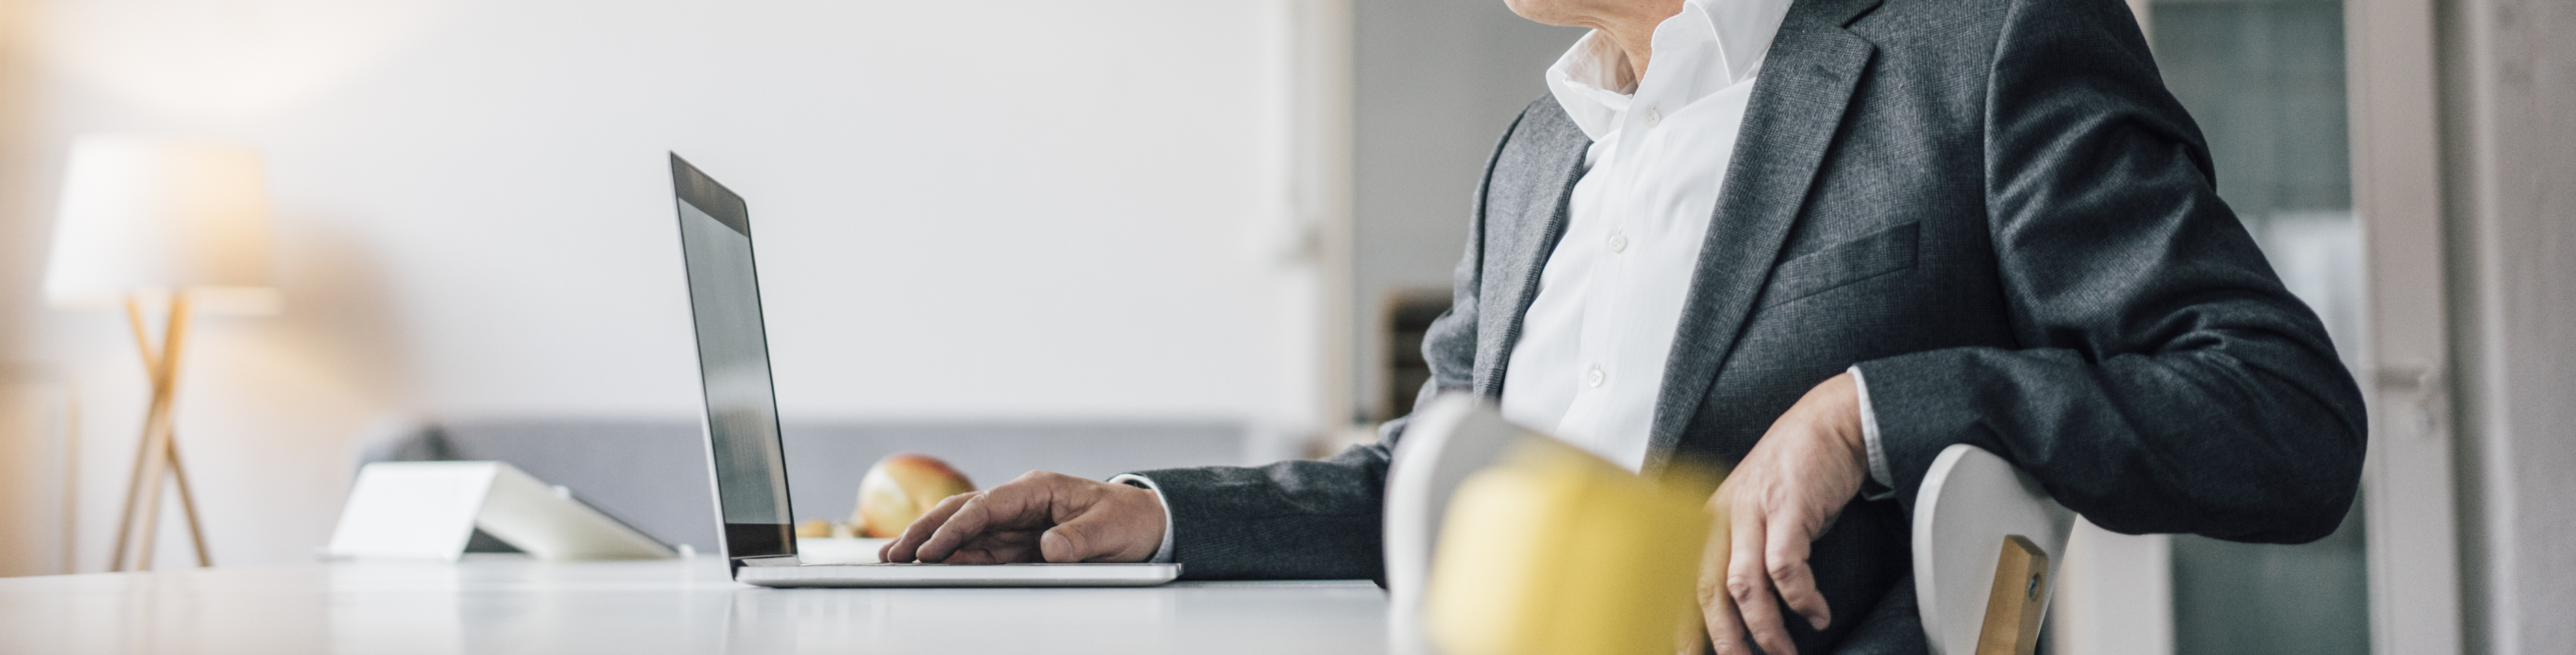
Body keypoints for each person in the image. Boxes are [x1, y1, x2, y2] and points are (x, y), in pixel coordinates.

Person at [881, 0, 2368, 650]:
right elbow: (1430, 477)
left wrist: (1867, 411)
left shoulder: (1980, 45)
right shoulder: (1539, 153)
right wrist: (1143, 515)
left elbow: (2283, 419)